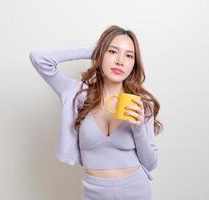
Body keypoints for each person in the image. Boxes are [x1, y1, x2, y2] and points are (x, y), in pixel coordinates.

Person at [29, 25, 163, 200]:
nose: (120, 61)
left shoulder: (141, 104)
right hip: (94, 192)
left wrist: (138, 130)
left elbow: (151, 163)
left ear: (134, 64)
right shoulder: (77, 94)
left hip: (136, 189)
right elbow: (39, 58)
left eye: (129, 55)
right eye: (113, 51)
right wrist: (90, 51)